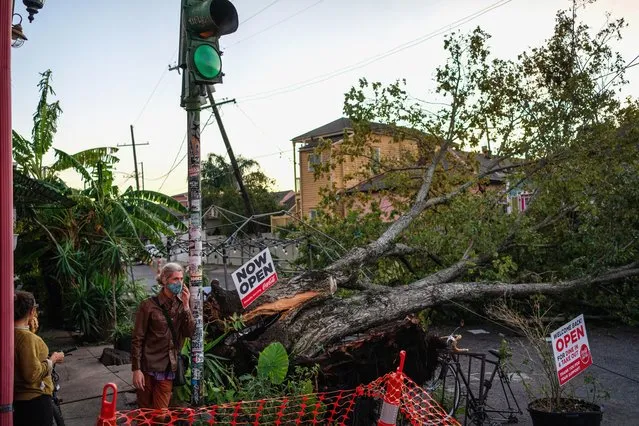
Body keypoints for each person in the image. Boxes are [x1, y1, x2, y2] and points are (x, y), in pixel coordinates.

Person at [131, 262, 195, 409]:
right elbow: (137, 338)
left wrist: (186, 307)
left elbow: (189, 332)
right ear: (165, 280)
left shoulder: (181, 305)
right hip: (148, 367)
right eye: (175, 279)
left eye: (181, 279)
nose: (179, 283)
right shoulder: (148, 305)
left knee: (161, 415)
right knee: (145, 412)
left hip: (168, 367)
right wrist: (136, 369)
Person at [13, 291, 65, 426]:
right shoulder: (26, 338)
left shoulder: (12, 334)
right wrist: (52, 360)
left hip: (20, 401)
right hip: (35, 400)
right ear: (31, 311)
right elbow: (32, 374)